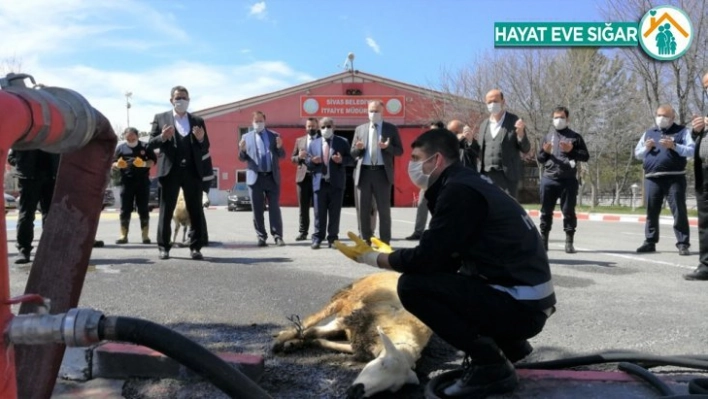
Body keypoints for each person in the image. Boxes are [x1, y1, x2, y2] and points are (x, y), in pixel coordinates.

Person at [335, 129, 555, 398]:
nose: (412, 165)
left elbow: (428, 259)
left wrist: (375, 258)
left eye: (416, 158)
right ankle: (510, 345)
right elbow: (444, 259)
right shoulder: (468, 182)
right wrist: (398, 255)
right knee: (439, 279)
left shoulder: (459, 191)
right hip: (528, 300)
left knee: (413, 287)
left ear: (436, 160)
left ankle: (492, 365)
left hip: (521, 307)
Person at [148, 85, 209, 260]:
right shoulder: (161, 118)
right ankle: (164, 247)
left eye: (184, 97)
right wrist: (163, 137)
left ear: (189, 100)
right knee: (166, 210)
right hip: (170, 171)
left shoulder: (197, 120)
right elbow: (151, 144)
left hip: (192, 171)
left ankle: (195, 247)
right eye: (177, 98)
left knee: (195, 209)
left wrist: (200, 138)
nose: (181, 100)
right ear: (171, 100)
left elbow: (205, 146)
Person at [634, 104, 695, 256]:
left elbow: (692, 150)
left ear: (672, 117)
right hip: (652, 178)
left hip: (674, 177)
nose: (661, 118)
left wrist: (674, 146)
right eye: (659, 115)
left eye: (665, 116)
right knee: (652, 212)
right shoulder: (649, 132)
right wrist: (646, 148)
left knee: (679, 211)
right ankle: (650, 242)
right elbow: (637, 154)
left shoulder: (682, 131)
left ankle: (683, 243)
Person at [536, 107, 590, 253]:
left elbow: (585, 156)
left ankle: (569, 242)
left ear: (567, 119)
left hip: (568, 180)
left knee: (568, 211)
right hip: (549, 179)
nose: (558, 120)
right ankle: (543, 241)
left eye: (561, 117)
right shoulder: (547, 137)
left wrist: (571, 151)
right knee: (546, 211)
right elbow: (540, 159)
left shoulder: (575, 137)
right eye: (555, 117)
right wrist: (544, 152)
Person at [351, 100, 403, 245]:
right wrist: (358, 148)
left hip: (382, 173)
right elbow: (353, 153)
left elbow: (400, 151)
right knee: (363, 209)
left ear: (382, 112)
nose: (373, 114)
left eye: (376, 111)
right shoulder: (360, 129)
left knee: (384, 210)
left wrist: (387, 147)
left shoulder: (391, 129)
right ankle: (365, 239)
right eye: (370, 111)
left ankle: (385, 241)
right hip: (364, 173)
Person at [238, 111, 286, 247]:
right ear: (252, 122)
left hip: (272, 177)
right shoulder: (246, 137)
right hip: (255, 178)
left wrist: (280, 146)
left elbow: (282, 155)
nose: (258, 123)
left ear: (265, 121)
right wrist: (242, 150)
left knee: (274, 208)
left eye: (260, 121)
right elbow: (242, 158)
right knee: (257, 209)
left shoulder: (274, 136)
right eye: (256, 121)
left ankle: (277, 236)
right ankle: (261, 236)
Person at [307, 117, 353, 249]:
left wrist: (341, 160)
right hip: (319, 183)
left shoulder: (342, 142)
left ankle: (333, 238)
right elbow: (308, 164)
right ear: (319, 128)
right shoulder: (313, 143)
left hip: (336, 184)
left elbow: (351, 160)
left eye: (328, 126)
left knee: (334, 213)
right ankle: (317, 238)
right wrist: (312, 162)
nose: (325, 129)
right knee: (318, 213)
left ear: (334, 127)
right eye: (322, 127)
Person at [8, 149, 60, 264]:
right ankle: (24, 250)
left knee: (51, 216)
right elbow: (11, 157)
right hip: (28, 178)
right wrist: (23, 164)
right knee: (26, 215)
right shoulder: (26, 134)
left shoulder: (53, 133)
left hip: (51, 176)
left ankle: (50, 250)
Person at [477, 89, 531, 199]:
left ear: (503, 101)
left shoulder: (513, 121)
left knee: (508, 209)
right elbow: (479, 150)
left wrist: (520, 134)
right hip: (486, 175)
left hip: (508, 176)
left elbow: (525, 148)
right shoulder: (483, 125)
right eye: (489, 102)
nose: (492, 104)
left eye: (495, 101)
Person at [113, 127, 156, 245]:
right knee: (125, 209)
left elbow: (153, 161)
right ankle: (123, 235)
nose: (130, 138)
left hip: (142, 182)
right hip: (126, 182)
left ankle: (145, 235)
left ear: (137, 136)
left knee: (143, 209)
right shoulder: (120, 148)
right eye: (128, 136)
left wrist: (143, 163)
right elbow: (113, 162)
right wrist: (117, 164)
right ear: (124, 136)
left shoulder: (145, 147)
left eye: (132, 135)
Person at [684, 72, 708, 280]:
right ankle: (706, 265)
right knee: (705, 220)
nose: (707, 90)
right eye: (705, 86)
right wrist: (697, 131)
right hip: (705, 172)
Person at [406, 121, 444, 241]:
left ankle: (439, 232)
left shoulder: (446, 145)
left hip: (441, 180)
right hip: (426, 180)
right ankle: (418, 232)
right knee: (422, 205)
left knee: (440, 207)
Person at [291, 118, 318, 241]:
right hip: (303, 179)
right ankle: (303, 232)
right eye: (308, 126)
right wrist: (299, 157)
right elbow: (292, 158)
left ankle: (319, 232)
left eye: (313, 126)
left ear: (317, 126)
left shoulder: (323, 140)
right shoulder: (299, 141)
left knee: (320, 207)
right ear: (305, 127)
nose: (310, 128)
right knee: (303, 208)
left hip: (318, 178)